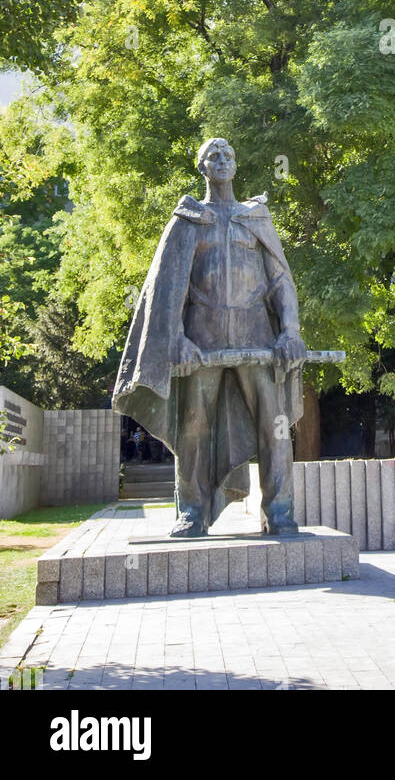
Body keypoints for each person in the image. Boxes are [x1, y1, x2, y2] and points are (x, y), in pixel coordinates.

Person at [113, 138, 307, 537]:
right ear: (201, 167)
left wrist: (290, 330)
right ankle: (193, 512)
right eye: (213, 156)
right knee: (194, 426)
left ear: (236, 167)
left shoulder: (255, 217)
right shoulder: (188, 219)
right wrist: (177, 339)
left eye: (228, 156)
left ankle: (280, 511)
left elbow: (280, 281)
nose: (221, 161)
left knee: (276, 424)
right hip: (201, 339)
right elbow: (168, 290)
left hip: (259, 337)